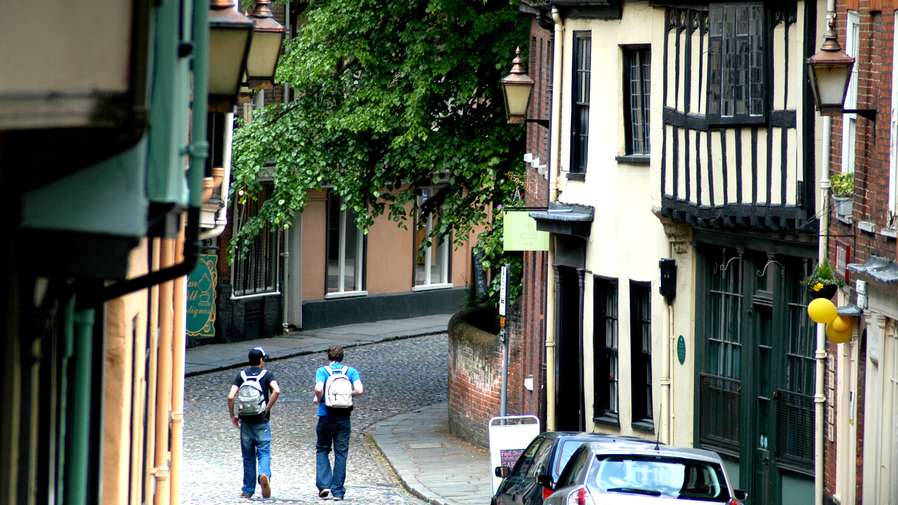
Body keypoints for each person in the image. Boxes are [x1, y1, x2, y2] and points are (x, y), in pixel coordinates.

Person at [227, 346, 280, 499]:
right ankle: (264, 474)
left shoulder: (241, 375)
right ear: (261, 360)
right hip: (261, 421)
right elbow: (276, 390)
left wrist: (233, 416)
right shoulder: (267, 375)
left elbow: (230, 397)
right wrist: (267, 408)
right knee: (264, 451)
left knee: (248, 456)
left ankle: (247, 490)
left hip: (245, 421)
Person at [314, 345, 363, 501]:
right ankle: (338, 491)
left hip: (326, 415)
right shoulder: (351, 371)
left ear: (328, 357)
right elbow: (360, 390)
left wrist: (319, 398)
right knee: (341, 453)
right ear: (342, 357)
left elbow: (318, 388)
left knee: (322, 449)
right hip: (344, 416)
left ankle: (324, 486)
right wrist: (347, 394)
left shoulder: (322, 371)